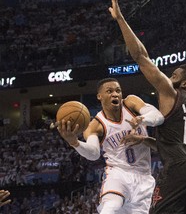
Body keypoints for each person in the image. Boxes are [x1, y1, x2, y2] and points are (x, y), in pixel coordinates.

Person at [109, 0, 186, 213]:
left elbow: (140, 56)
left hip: (178, 169)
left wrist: (120, 19)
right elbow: (173, 143)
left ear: (184, 83)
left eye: (174, 75)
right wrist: (143, 140)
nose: (168, 77)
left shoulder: (170, 92)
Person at [57, 77, 164, 214]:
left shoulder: (131, 103)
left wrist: (142, 119)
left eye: (118, 91)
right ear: (99, 96)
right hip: (118, 173)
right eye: (109, 91)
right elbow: (94, 154)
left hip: (144, 178)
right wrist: (74, 142)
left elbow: (158, 117)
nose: (115, 94)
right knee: (110, 207)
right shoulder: (95, 125)